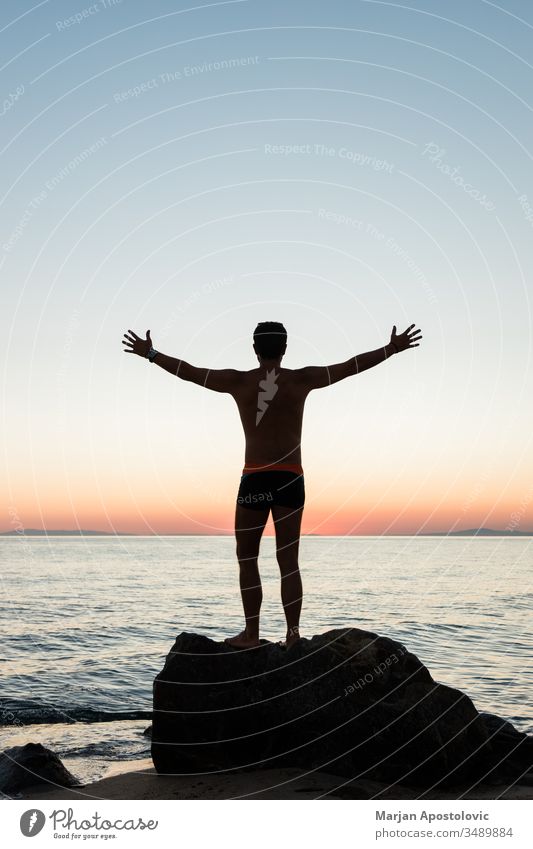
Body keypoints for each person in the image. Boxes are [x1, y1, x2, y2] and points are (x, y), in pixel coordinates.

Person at [122, 320, 422, 649]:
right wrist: (391, 349)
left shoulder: (239, 382)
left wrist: (149, 353)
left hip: (255, 477)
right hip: (291, 477)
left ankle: (251, 634)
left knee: (247, 558)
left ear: (254, 349)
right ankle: (292, 635)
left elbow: (190, 372)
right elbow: (350, 367)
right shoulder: (301, 380)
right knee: (288, 560)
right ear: (285, 348)